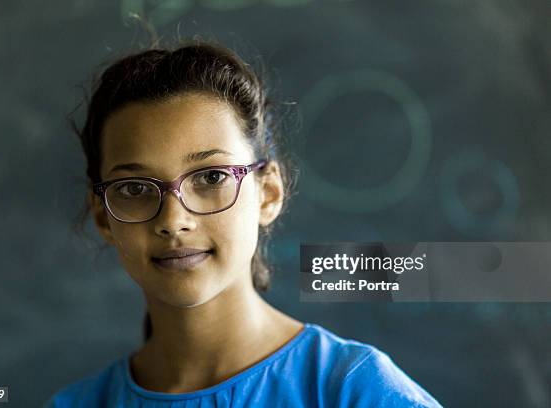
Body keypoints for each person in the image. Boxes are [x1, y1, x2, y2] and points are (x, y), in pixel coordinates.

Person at [44, 38, 442, 407]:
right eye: (134, 188)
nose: (174, 220)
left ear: (267, 193)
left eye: (211, 177)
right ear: (103, 216)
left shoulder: (352, 389)